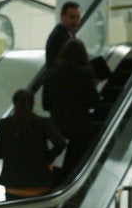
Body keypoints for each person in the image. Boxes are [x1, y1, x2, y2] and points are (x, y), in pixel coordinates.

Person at [0, 89, 66, 208]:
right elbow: (60, 143)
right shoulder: (43, 122)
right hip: (38, 185)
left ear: (14, 104)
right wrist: (47, 159)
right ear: (34, 103)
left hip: (13, 186)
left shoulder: (4, 124)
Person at [42, 39, 102, 180]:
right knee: (78, 169)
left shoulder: (50, 75)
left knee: (59, 171)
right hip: (80, 130)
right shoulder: (85, 74)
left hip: (57, 130)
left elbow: (46, 105)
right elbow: (94, 103)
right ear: (83, 55)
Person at [45, 1, 81, 70]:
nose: (76, 21)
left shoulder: (67, 33)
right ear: (62, 17)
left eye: (78, 17)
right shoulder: (58, 37)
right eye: (72, 17)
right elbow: (66, 66)